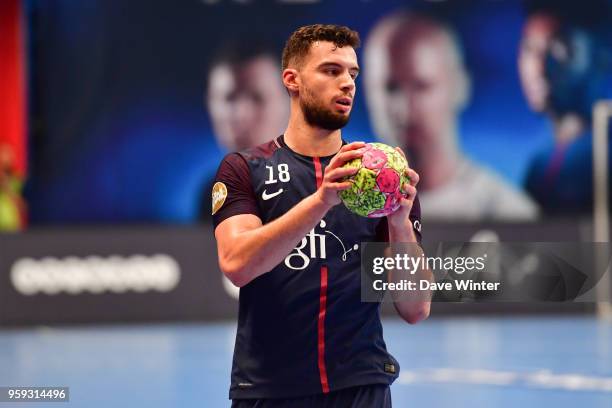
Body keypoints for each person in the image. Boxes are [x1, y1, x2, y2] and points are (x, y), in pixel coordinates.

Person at [212, 24, 430, 407]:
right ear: (292, 80)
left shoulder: (381, 179)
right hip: (269, 390)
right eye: (331, 70)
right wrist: (322, 200)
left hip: (362, 387)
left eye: (353, 73)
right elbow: (237, 263)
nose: (347, 83)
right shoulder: (243, 168)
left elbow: (416, 308)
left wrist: (399, 224)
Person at [364, 11, 539, 221]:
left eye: (422, 86)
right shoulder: (344, 213)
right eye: (390, 88)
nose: (403, 108)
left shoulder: (506, 213)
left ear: (460, 87)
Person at [518, 10, 611, 214]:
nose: (538, 68)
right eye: (529, 49)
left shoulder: (602, 150)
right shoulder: (539, 165)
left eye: (557, 51)